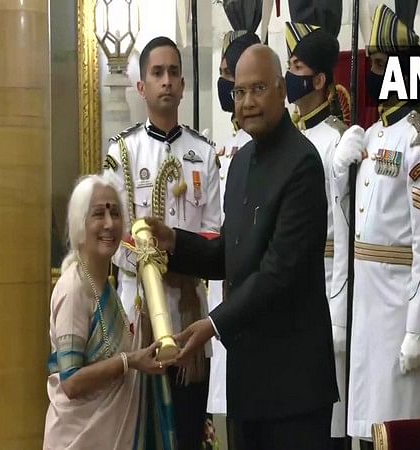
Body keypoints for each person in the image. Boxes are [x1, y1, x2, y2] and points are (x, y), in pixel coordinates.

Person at [147, 44, 338, 450]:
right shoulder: (240, 162)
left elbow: (279, 270)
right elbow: (230, 256)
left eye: (259, 89)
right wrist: (174, 242)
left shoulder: (302, 163)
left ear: (282, 90)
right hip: (248, 383)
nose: (247, 102)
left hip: (295, 389)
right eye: (240, 92)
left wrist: (213, 324)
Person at [332, 5, 420, 449]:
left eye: (381, 64)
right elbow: (354, 223)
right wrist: (340, 174)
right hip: (366, 305)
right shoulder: (373, 134)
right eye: (373, 63)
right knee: (367, 429)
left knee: (401, 431)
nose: (374, 72)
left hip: (399, 309)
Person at [103, 36, 221, 450]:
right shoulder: (123, 152)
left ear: (184, 85)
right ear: (141, 87)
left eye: (173, 73)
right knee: (140, 431)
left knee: (188, 430)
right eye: (157, 73)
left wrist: (178, 254)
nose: (166, 81)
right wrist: (147, 260)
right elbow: (110, 236)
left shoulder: (203, 153)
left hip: (187, 312)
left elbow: (213, 235)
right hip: (139, 315)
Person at [43, 173, 174, 450]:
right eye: (98, 214)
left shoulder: (106, 286)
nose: (109, 224)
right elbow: (72, 383)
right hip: (78, 439)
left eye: (115, 213)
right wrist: (130, 361)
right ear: (79, 223)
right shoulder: (74, 289)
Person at [284, 22, 348, 450]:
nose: (289, 76)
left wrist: (340, 312)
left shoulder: (337, 143)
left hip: (325, 287)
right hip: (286, 290)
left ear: (319, 79)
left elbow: (344, 234)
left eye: (296, 66)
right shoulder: (289, 138)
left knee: (326, 426)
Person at [207, 29, 260, 447]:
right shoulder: (226, 151)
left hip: (252, 305)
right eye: (229, 84)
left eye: (234, 81)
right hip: (221, 298)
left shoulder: (275, 154)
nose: (230, 91)